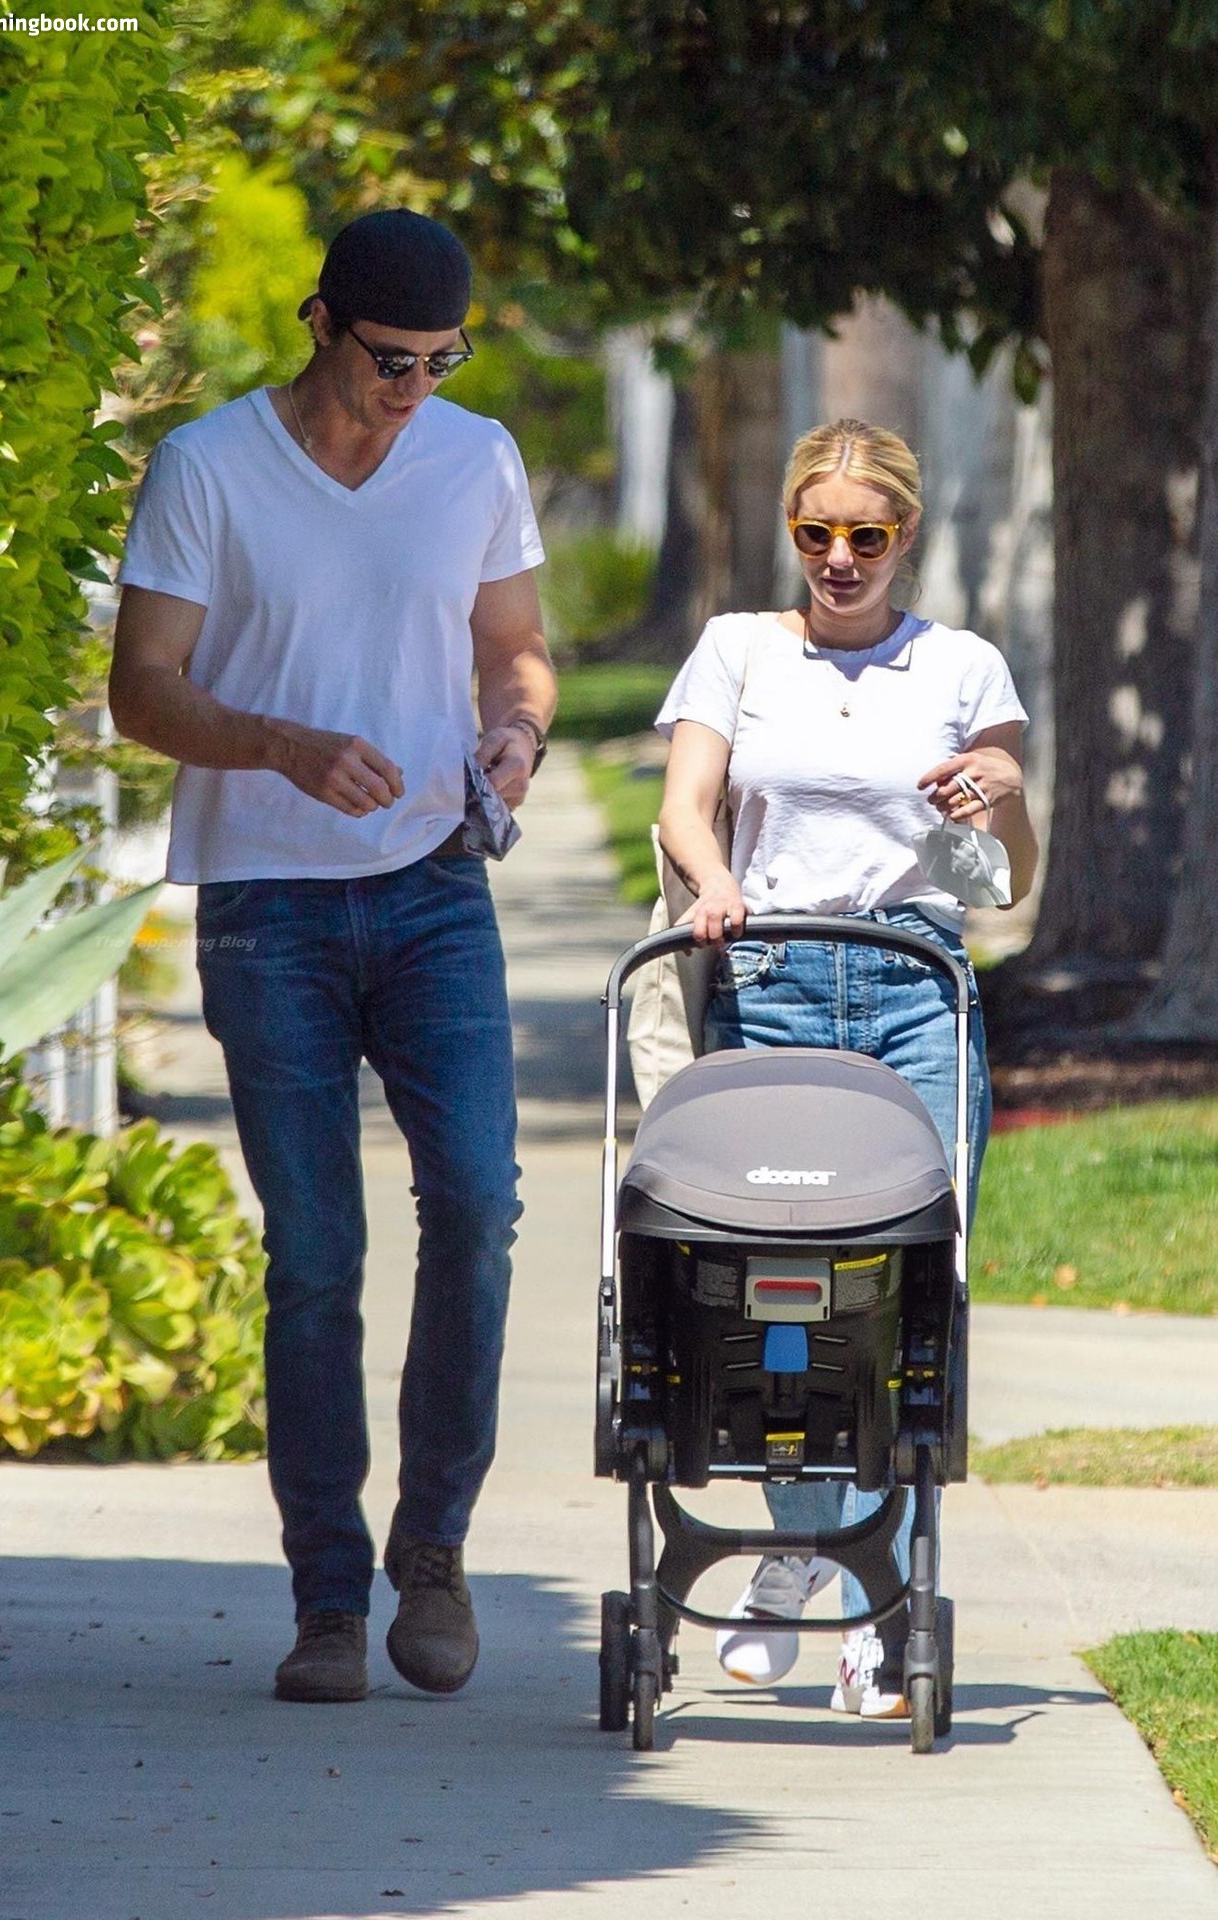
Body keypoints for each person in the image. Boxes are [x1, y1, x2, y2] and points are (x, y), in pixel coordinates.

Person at [109, 209, 556, 1705]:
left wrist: (517, 731)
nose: (413, 388)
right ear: (320, 322)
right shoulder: (208, 468)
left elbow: (516, 648)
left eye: (441, 361)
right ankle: (322, 1602)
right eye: (389, 360)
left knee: (478, 1207)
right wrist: (281, 747)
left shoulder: (475, 459)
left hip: (434, 888)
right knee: (315, 1256)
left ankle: (432, 1555)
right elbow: (143, 692)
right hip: (268, 905)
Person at [654, 417, 1038, 1718]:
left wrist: (998, 790)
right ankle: (794, 1554)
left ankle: (882, 1605)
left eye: (864, 536)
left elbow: (1013, 871)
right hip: (770, 985)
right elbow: (685, 803)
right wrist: (714, 882)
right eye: (813, 531)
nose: (837, 558)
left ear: (903, 536)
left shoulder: (962, 666)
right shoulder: (737, 649)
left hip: (914, 988)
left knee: (907, 1298)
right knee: (777, 1297)